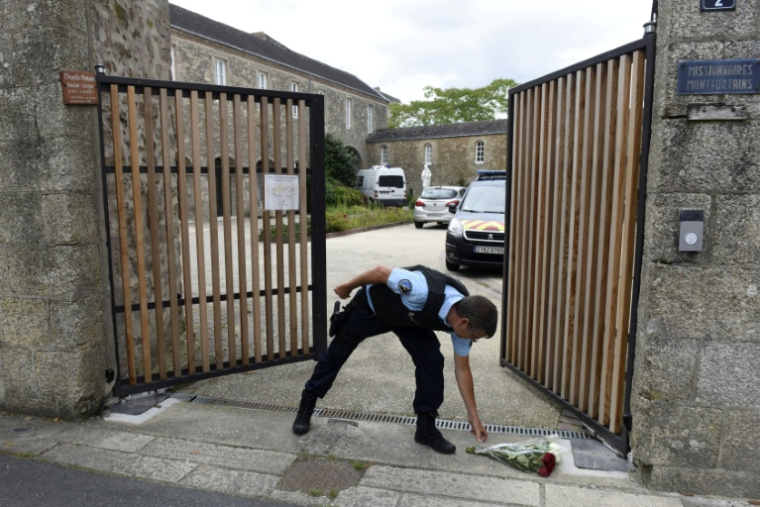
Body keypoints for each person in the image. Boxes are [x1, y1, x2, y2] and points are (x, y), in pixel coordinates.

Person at [292, 264, 498, 454]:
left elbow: (463, 370)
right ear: (464, 322)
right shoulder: (421, 289)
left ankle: (425, 429)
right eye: (474, 337)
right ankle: (307, 402)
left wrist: (473, 416)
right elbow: (380, 272)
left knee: (432, 360)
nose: (472, 341)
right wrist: (348, 286)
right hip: (374, 309)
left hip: (410, 321)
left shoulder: (461, 322)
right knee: (338, 351)